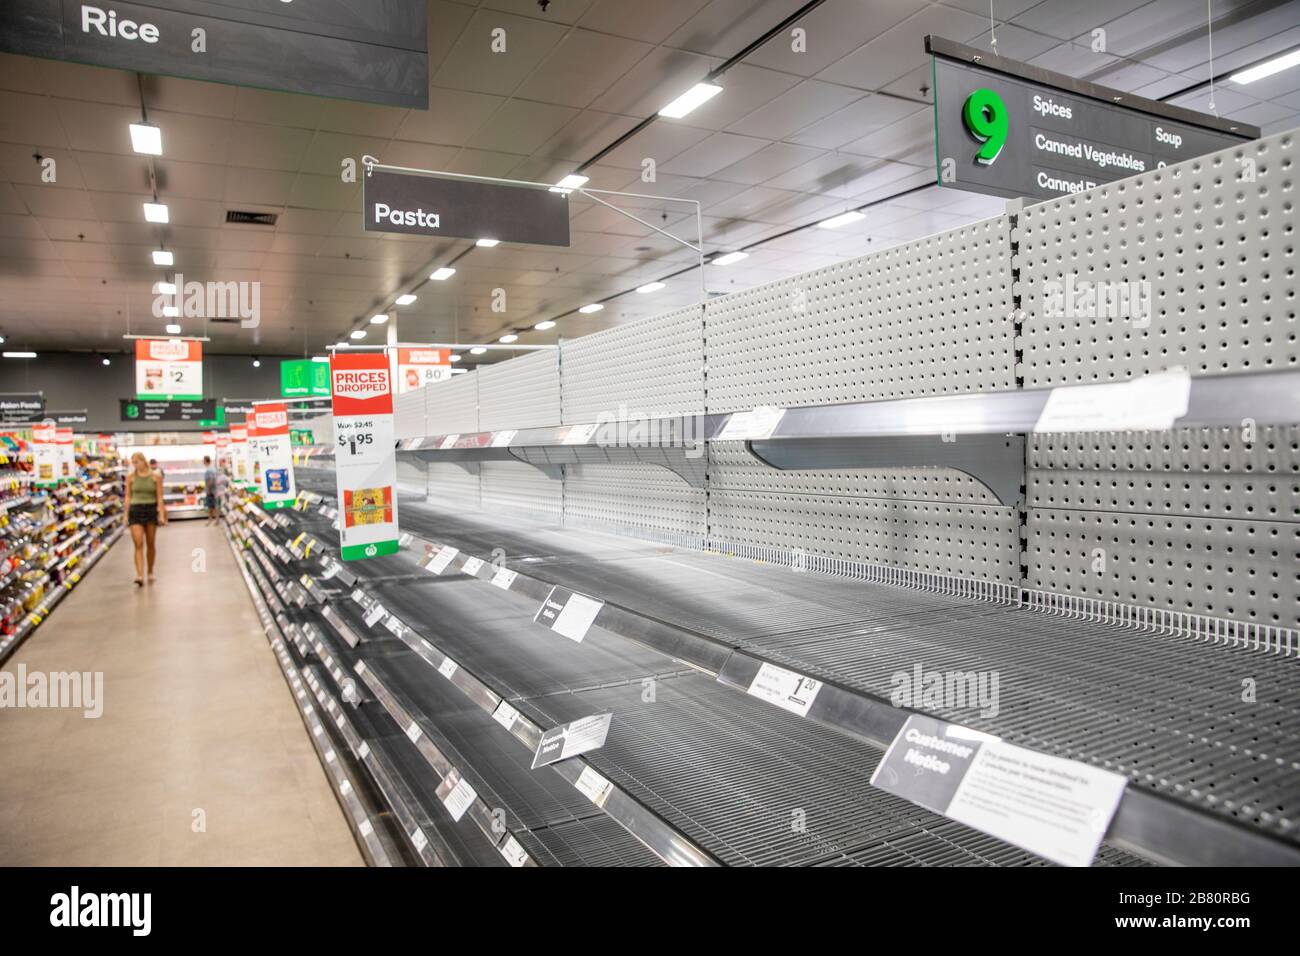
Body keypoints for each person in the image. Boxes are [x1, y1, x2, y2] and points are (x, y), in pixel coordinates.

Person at [126, 452, 166, 586]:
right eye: (133, 463)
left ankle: (150, 571)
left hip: (150, 510)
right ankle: (139, 575)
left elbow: (160, 497)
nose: (135, 465)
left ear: (143, 461)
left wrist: (161, 514)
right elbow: (127, 497)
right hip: (135, 510)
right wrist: (125, 515)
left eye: (137, 462)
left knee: (150, 543)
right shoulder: (130, 478)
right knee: (138, 544)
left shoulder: (156, 477)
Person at [203, 454, 219, 524]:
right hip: (214, 490)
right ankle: (212, 519)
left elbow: (211, 481)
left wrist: (209, 490)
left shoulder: (209, 470)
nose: (203, 462)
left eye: (203, 461)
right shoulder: (212, 469)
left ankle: (214, 520)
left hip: (211, 491)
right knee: (212, 506)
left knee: (211, 506)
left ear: (206, 461)